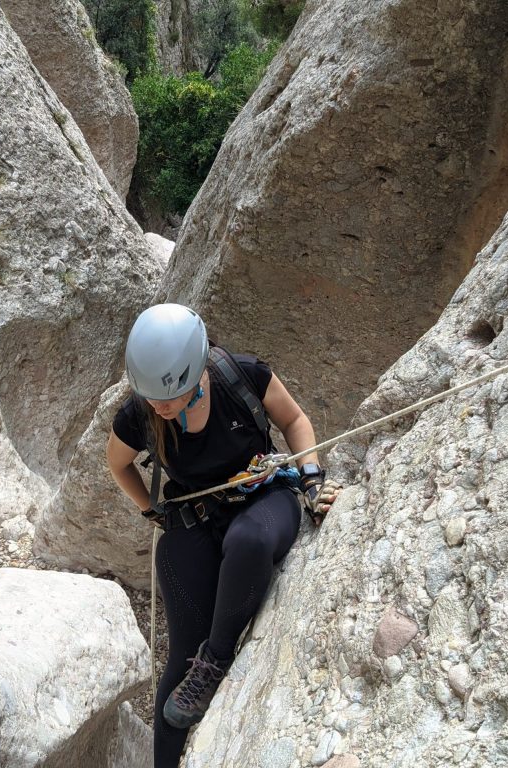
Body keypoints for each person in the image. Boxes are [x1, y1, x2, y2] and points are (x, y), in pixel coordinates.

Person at [106, 303, 338, 767]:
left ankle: (215, 659)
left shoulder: (243, 375)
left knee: (249, 541)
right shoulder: (142, 411)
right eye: (152, 398)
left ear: (195, 371)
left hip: (264, 500)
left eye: (169, 397)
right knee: (179, 661)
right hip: (197, 516)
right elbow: (118, 463)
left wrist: (311, 479)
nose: (159, 407)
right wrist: (152, 510)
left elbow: (294, 421)